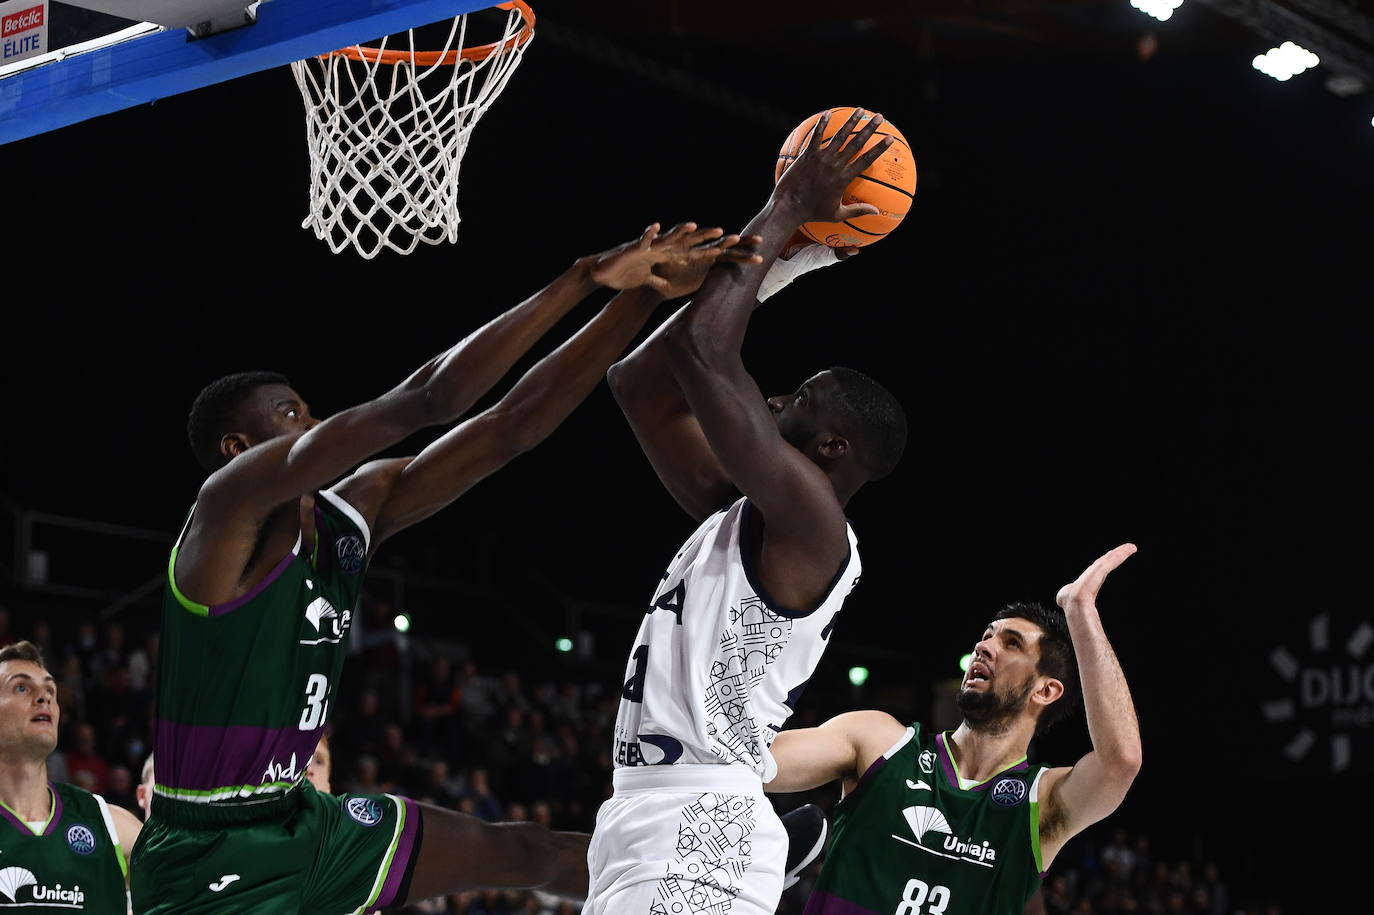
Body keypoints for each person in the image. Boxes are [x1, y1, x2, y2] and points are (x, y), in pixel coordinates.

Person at [131, 221, 758, 915]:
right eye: (288, 413)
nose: (310, 422)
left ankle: (721, 880)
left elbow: (513, 424)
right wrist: (585, 277)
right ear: (236, 446)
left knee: (526, 850)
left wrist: (642, 292)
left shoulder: (350, 515)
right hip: (205, 850)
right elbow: (433, 397)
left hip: (304, 820)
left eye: (307, 406)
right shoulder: (224, 511)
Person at [587, 109, 909, 914]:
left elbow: (704, 352)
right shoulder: (746, 516)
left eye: (794, 400)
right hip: (656, 811)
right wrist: (790, 263)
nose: (768, 398)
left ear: (832, 448)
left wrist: (790, 205)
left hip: (700, 824)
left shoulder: (813, 524)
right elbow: (639, 382)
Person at [764, 544, 1143, 915]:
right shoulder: (880, 741)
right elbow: (752, 763)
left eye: (1011, 643)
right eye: (987, 635)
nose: (984, 646)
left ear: (1045, 690)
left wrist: (1080, 612)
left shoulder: (1040, 803)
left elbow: (1120, 761)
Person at [0, 640, 143, 913]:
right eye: (21, 687)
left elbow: (194, 892)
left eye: (50, 690)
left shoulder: (112, 825)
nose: (44, 697)